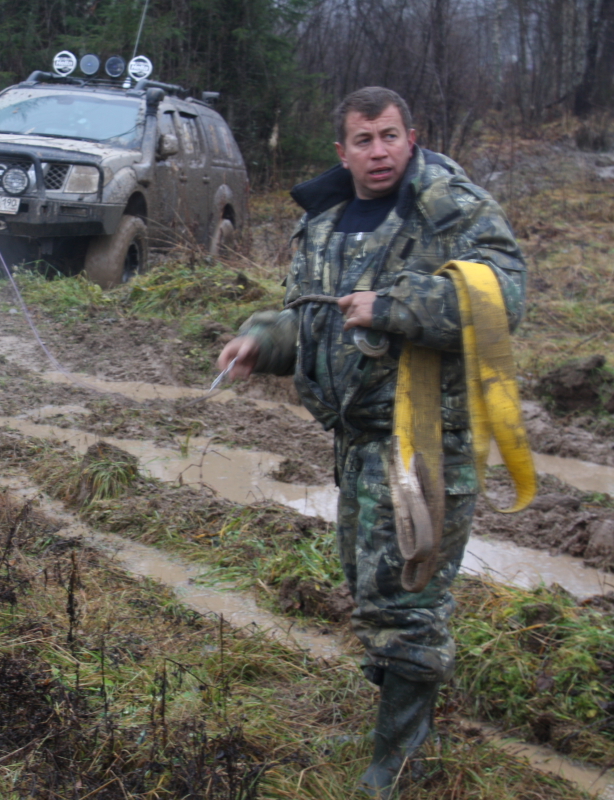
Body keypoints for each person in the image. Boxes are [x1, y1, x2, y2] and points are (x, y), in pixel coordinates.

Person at [217, 86, 526, 797]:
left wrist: (397, 305)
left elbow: (504, 299)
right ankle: (401, 728)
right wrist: (261, 342)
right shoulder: (326, 219)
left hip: (425, 439)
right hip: (355, 444)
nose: (379, 152)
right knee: (370, 589)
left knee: (407, 598)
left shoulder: (451, 208)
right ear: (343, 150)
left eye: (390, 136)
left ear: (411, 138)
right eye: (364, 140)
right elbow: (310, 318)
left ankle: (399, 763)